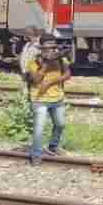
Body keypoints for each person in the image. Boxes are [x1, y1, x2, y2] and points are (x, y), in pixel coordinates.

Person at [24, 35, 70, 166]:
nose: (52, 50)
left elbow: (67, 74)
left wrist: (51, 81)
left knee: (60, 124)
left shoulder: (61, 59)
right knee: (39, 129)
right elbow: (36, 80)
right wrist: (46, 65)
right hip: (39, 99)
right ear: (42, 48)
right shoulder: (34, 62)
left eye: (54, 47)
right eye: (49, 48)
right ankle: (36, 155)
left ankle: (53, 146)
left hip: (57, 98)